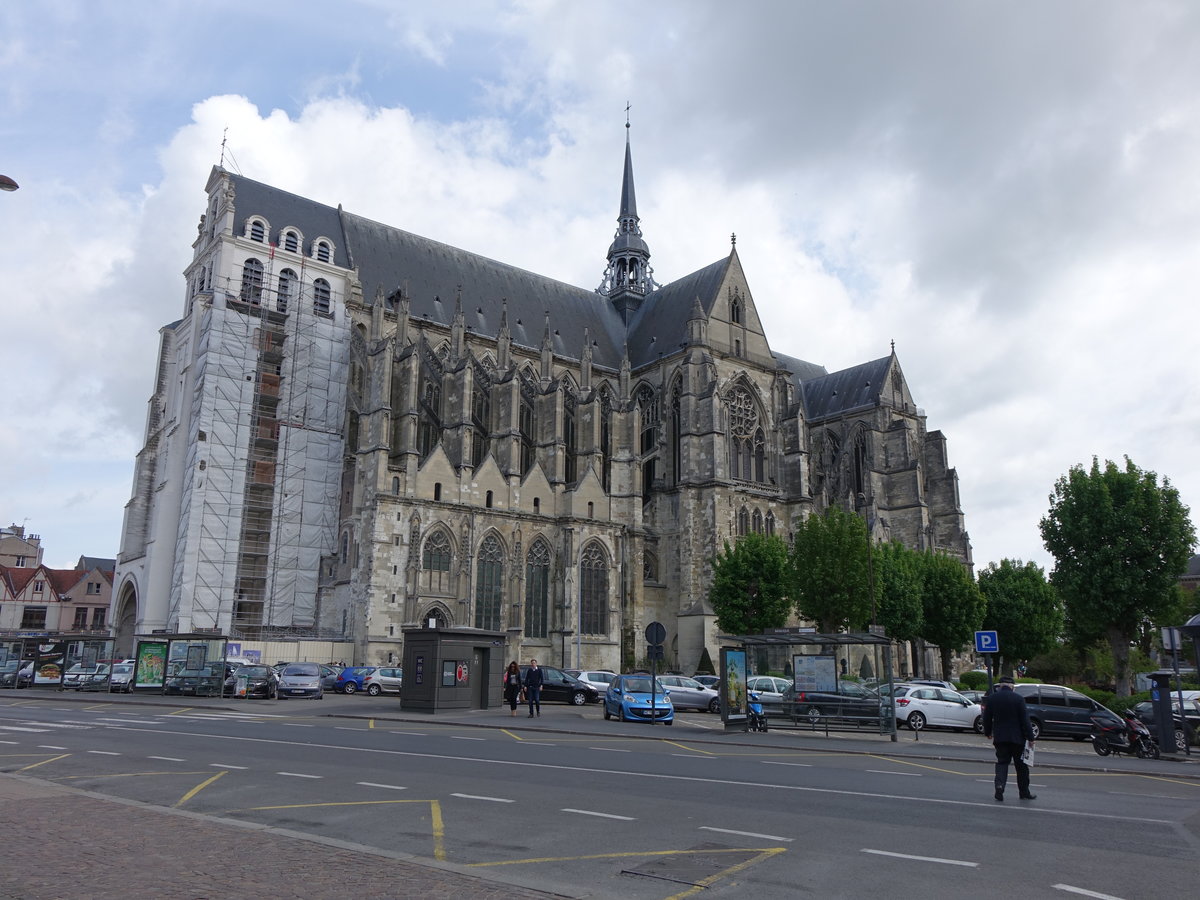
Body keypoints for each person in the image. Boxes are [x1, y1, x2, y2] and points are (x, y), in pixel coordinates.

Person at [982, 676, 1036, 801]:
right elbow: (1025, 720)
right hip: (1018, 738)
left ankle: (999, 787)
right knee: (1021, 766)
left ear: (1000, 686)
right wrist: (1031, 737)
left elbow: (986, 718)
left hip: (1000, 738)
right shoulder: (1018, 699)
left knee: (1002, 763)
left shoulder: (992, 698)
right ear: (1012, 686)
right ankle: (1024, 792)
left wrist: (988, 732)